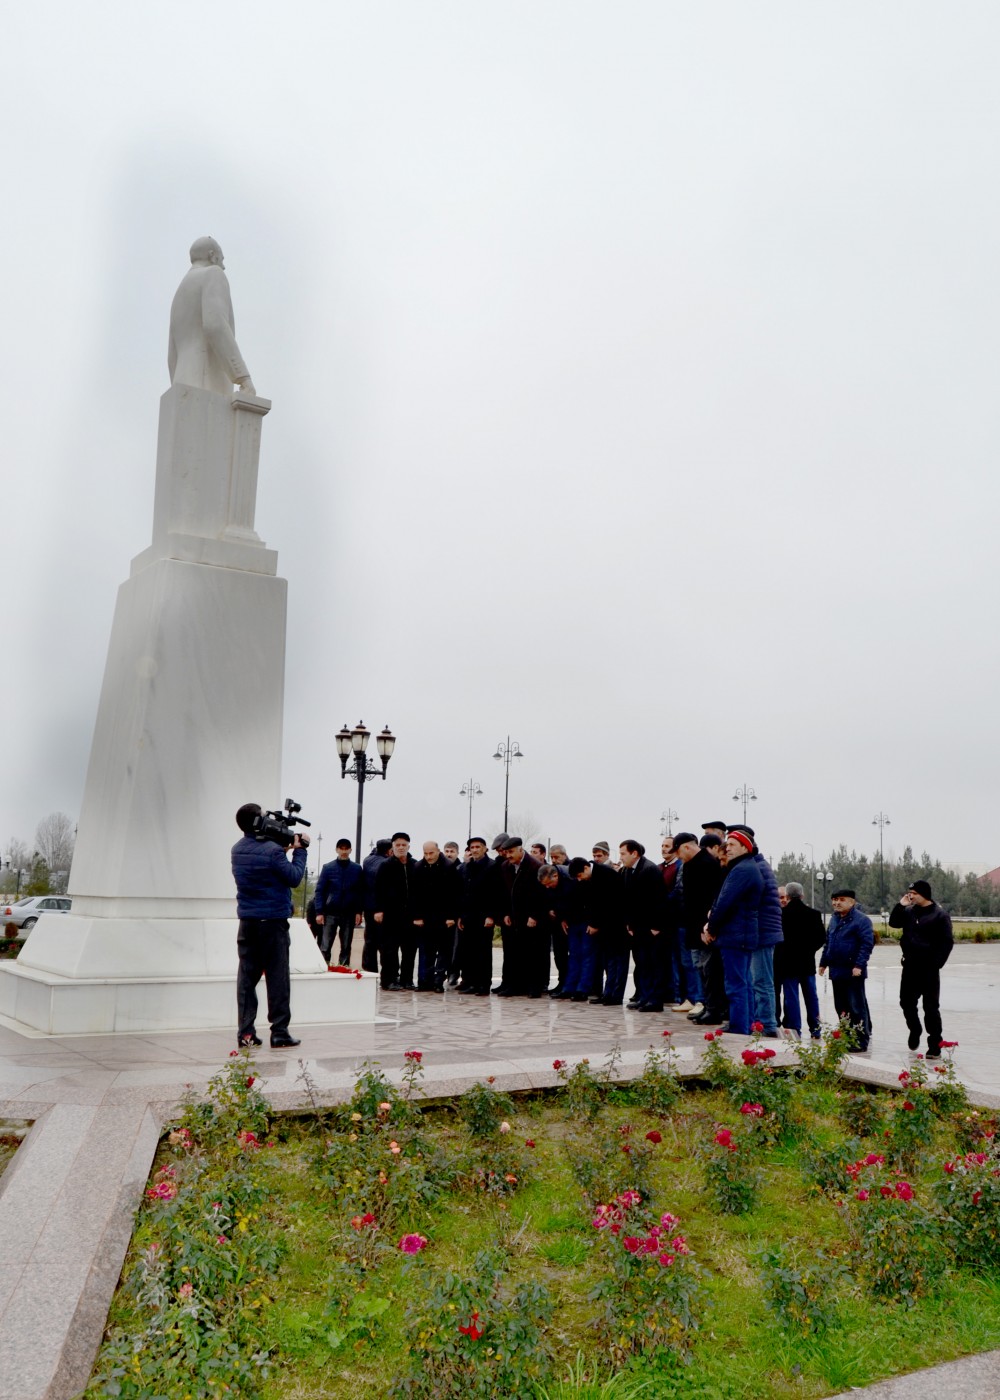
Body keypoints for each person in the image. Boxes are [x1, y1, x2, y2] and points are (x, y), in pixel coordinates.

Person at [231, 802, 307, 1049]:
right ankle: (280, 1032)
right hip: (272, 923)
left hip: (248, 922)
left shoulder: (237, 849)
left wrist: (281, 847)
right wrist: (300, 850)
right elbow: (294, 877)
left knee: (246, 979)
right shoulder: (273, 852)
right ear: (258, 823)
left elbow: (264, 866)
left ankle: (246, 1033)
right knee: (277, 978)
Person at [168, 236, 257, 396]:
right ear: (212, 255)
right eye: (222, 259)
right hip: (207, 381)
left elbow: (172, 353)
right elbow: (215, 325)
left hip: (180, 382)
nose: (224, 267)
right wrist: (242, 377)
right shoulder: (213, 274)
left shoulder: (180, 292)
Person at [703, 830, 762, 1035]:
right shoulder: (745, 867)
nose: (727, 848)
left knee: (736, 985)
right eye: (726, 844)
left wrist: (710, 927)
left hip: (735, 935)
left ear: (745, 848)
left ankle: (739, 1027)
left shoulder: (742, 870)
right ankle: (744, 1024)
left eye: (732, 844)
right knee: (743, 983)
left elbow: (725, 902)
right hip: (741, 934)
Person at [888, 880, 954, 1058]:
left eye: (914, 893)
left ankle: (934, 1045)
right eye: (909, 893)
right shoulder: (908, 912)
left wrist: (936, 963)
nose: (910, 896)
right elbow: (893, 923)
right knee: (906, 1002)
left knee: (931, 1007)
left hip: (929, 968)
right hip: (909, 965)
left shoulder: (939, 915)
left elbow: (947, 942)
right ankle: (915, 1028)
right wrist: (900, 905)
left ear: (924, 894)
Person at [672, 832, 724, 1022]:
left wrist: (707, 928)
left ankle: (713, 1009)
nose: (677, 856)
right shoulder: (690, 865)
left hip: (704, 928)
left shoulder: (707, 864)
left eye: (678, 851)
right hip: (693, 927)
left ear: (686, 847)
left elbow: (709, 900)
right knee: (699, 967)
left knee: (709, 969)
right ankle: (706, 1005)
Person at [568, 856, 629, 1003]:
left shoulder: (606, 874)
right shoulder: (588, 879)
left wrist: (596, 924)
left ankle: (616, 995)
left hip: (616, 925)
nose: (579, 879)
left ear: (586, 868)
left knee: (618, 961)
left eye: (579, 875)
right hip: (603, 927)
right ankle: (607, 993)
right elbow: (590, 904)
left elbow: (610, 904)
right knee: (608, 962)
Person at [819, 889, 873, 1050]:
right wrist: (823, 962)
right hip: (837, 971)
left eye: (841, 899)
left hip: (853, 972)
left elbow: (866, 944)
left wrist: (859, 965)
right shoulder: (835, 919)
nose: (837, 903)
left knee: (856, 1007)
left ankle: (861, 1041)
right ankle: (846, 1036)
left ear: (852, 902)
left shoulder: (861, 920)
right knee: (841, 1007)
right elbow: (829, 942)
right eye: (834, 899)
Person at [494, 836, 548, 997]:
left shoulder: (535, 866)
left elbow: (541, 895)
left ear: (520, 849)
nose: (508, 856)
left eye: (511, 852)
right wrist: (504, 914)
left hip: (530, 918)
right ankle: (514, 986)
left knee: (532, 954)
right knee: (513, 954)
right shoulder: (505, 866)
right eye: (506, 852)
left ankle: (534, 987)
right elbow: (503, 893)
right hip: (512, 918)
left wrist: (534, 915)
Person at [619, 839, 665, 1012]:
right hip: (637, 927)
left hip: (650, 927)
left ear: (634, 853)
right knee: (642, 963)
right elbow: (628, 900)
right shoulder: (627, 871)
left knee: (653, 964)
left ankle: (655, 1000)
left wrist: (656, 926)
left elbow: (658, 900)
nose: (621, 857)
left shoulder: (649, 870)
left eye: (623, 853)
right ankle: (644, 997)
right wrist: (629, 924)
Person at [777, 882, 826, 1039]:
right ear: (802, 895)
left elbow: (778, 940)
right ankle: (815, 1029)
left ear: (788, 896)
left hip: (787, 963)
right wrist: (809, 950)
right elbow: (821, 938)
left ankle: (794, 1029)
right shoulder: (814, 914)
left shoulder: (781, 914)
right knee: (811, 996)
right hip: (807, 963)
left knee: (791, 997)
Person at [373, 833, 420, 990]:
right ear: (392, 847)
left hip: (411, 916)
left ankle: (407, 979)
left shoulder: (415, 865)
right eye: (397, 845)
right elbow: (378, 889)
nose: (401, 847)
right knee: (390, 950)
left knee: (409, 950)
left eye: (403, 845)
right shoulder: (385, 865)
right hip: (391, 915)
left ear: (408, 846)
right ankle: (389, 980)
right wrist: (378, 910)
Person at [413, 841, 461, 991]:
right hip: (426, 917)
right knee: (427, 951)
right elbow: (415, 895)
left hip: (444, 917)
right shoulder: (418, 867)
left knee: (444, 952)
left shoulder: (449, 867)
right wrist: (417, 916)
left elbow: (455, 894)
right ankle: (425, 981)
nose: (428, 857)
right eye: (425, 853)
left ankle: (438, 981)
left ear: (438, 851)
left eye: (431, 853)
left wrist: (452, 916)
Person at [313, 838, 364, 964]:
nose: (344, 851)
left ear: (350, 850)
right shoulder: (328, 867)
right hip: (330, 912)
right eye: (341, 848)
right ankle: (323, 967)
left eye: (346, 848)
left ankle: (344, 968)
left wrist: (359, 911)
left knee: (346, 945)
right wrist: (319, 912)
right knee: (325, 945)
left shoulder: (357, 869)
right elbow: (319, 891)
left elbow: (359, 892)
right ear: (337, 850)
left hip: (349, 913)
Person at [456, 836, 495, 995]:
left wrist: (491, 915)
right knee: (467, 951)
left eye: (478, 847)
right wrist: (460, 916)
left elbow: (495, 893)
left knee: (483, 952)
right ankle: (469, 981)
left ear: (485, 848)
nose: (475, 850)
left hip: (483, 916)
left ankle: (483, 984)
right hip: (468, 916)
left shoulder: (492, 866)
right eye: (472, 847)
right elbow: (462, 893)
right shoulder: (466, 867)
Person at [361, 838, 391, 974]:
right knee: (383, 943)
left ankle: (369, 970)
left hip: (369, 907)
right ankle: (387, 974)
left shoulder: (368, 860)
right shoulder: (384, 864)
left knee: (370, 941)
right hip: (380, 907)